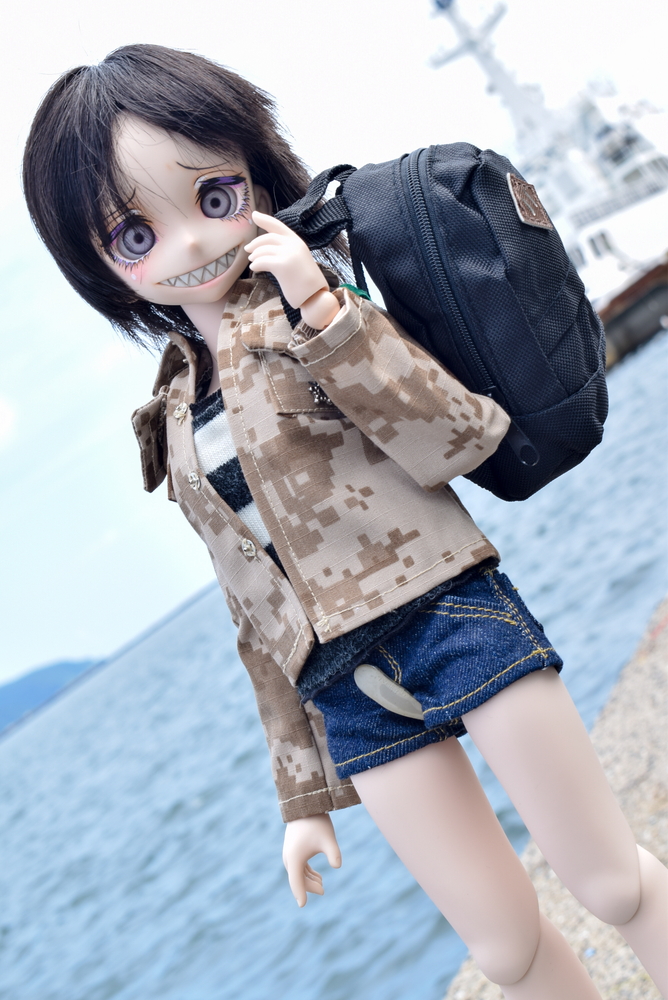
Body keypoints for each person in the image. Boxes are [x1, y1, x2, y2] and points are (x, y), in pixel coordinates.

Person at [22, 43, 667, 1000]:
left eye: (212, 196)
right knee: (505, 948)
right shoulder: (173, 415)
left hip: (450, 615)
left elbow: (460, 434)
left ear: (255, 172)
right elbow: (257, 616)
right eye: (134, 235)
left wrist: (325, 310)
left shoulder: (317, 302)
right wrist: (303, 797)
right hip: (345, 690)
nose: (189, 245)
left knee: (609, 878)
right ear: (100, 266)